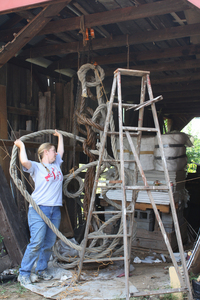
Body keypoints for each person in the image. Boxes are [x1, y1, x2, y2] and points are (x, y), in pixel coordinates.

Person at [14, 130, 64, 286]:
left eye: (55, 151)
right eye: (53, 151)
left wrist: (60, 137)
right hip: (38, 209)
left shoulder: (56, 164)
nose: (56, 153)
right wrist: (21, 146)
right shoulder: (36, 167)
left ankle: (41, 270)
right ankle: (24, 273)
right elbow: (24, 162)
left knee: (49, 243)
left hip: (54, 210)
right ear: (45, 152)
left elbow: (61, 150)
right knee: (36, 242)